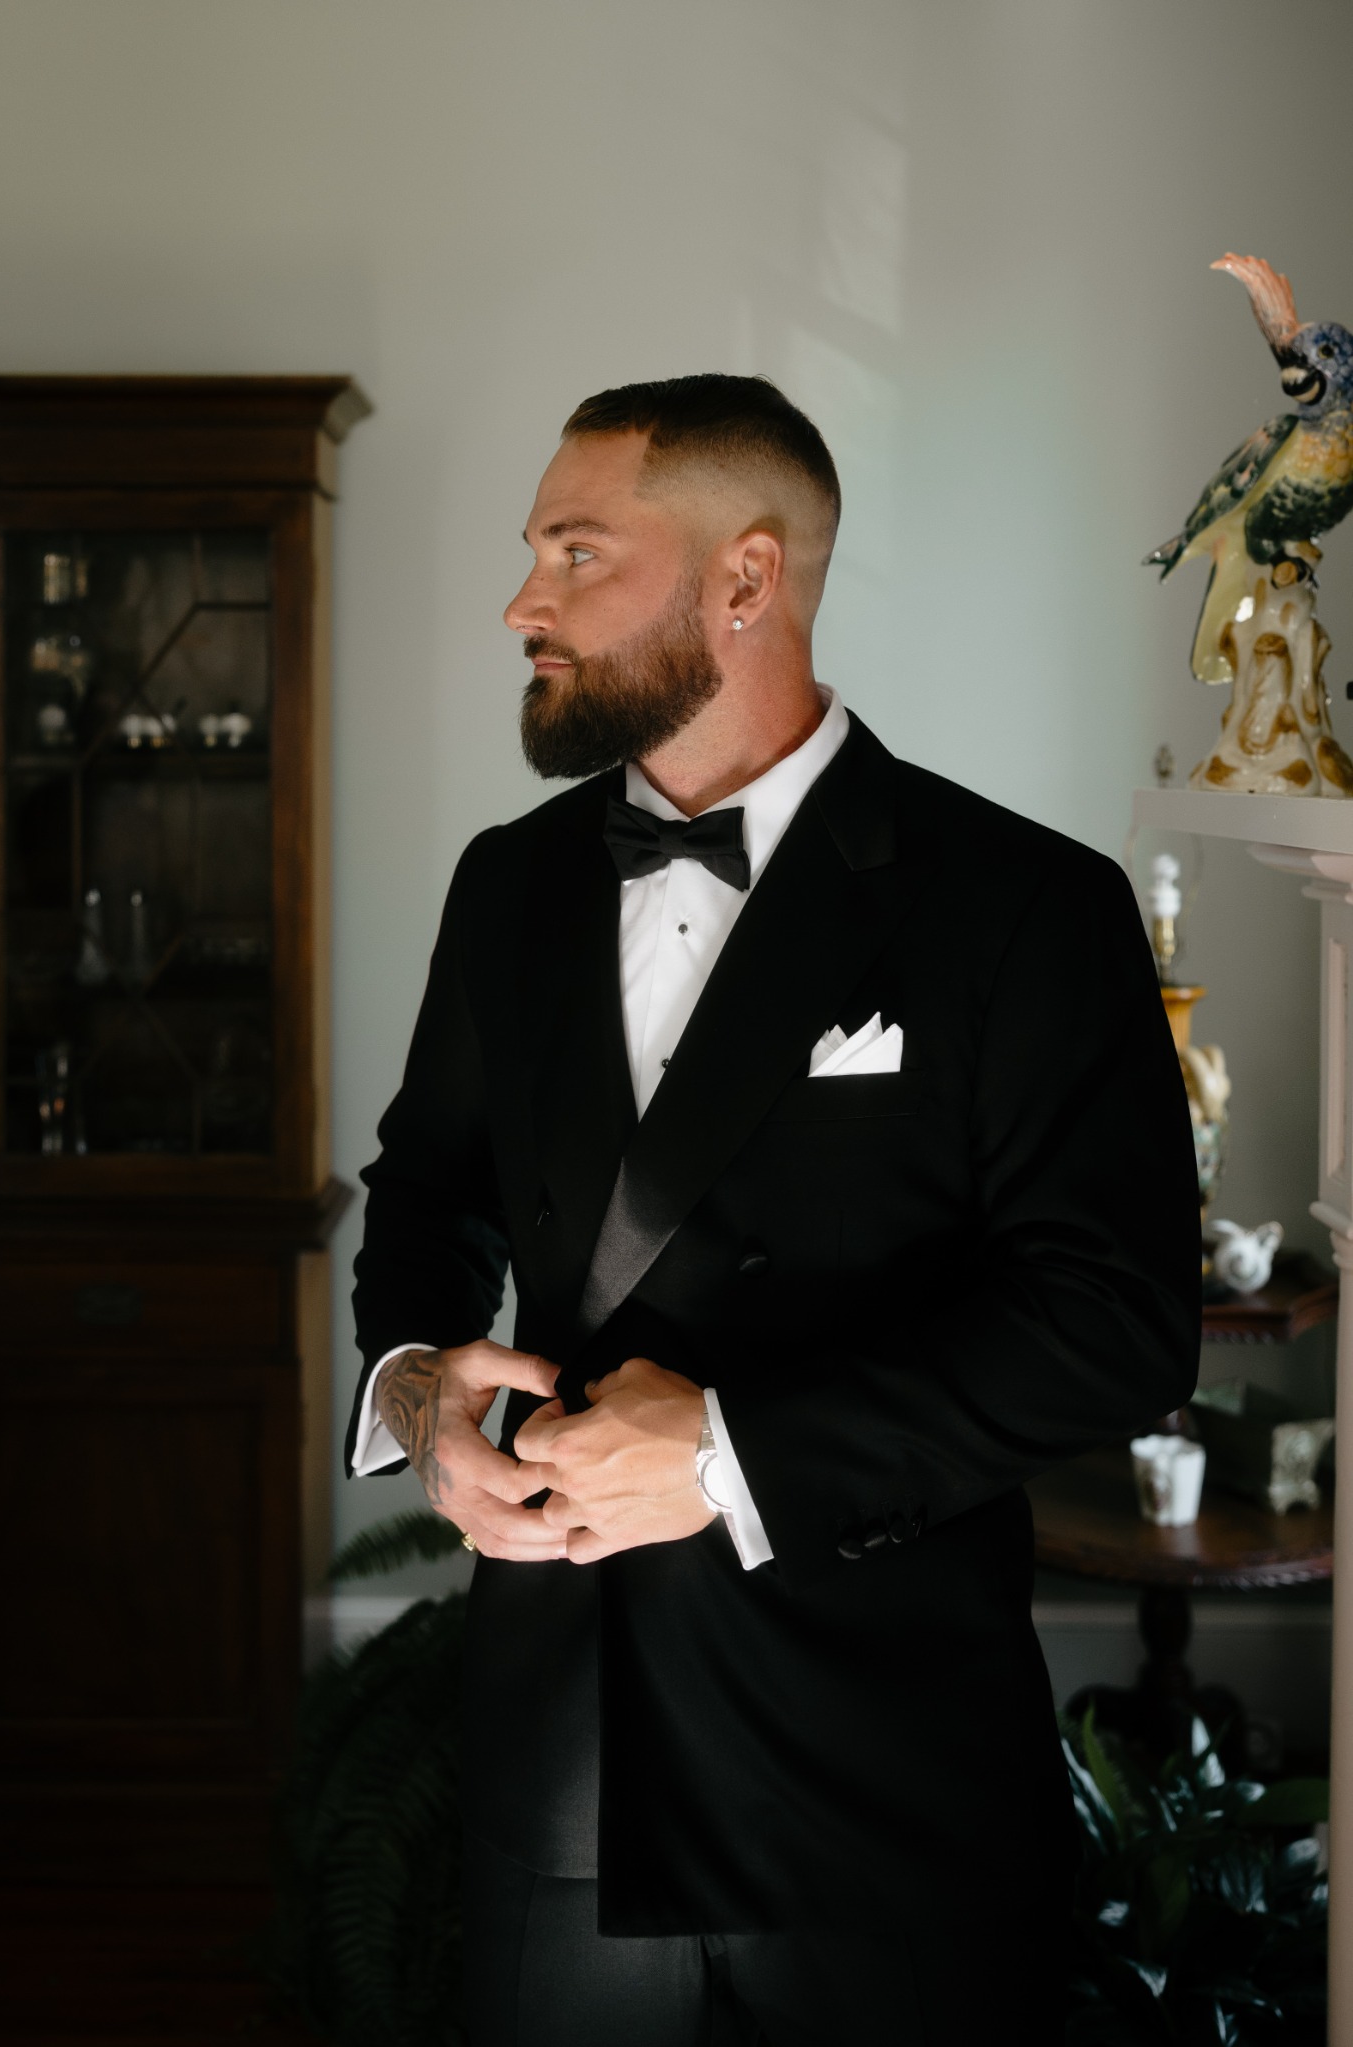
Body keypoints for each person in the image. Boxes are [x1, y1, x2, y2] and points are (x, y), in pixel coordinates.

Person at [345, 374, 1200, 2046]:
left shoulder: (1025, 908)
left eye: (577, 553)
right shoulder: (505, 886)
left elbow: (1113, 1325)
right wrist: (416, 1396)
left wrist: (732, 1456)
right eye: (534, 554)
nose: (524, 601)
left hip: (874, 1772)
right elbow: (426, 1196)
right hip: (565, 1758)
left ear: (744, 582)